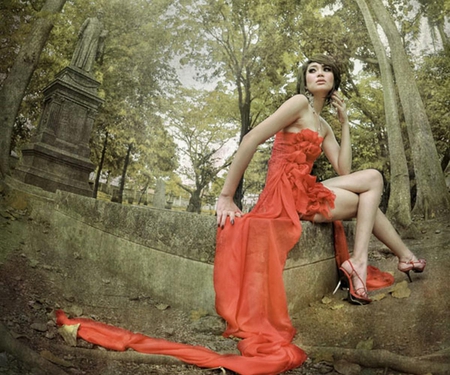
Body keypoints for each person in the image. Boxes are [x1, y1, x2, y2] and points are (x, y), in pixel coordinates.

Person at [215, 54, 426, 306]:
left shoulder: (323, 124)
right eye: (312, 70)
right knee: (370, 186)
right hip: (283, 193)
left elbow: (343, 169)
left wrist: (344, 123)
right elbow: (251, 138)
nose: (319, 73)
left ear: (334, 81)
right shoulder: (298, 103)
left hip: (303, 187)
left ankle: (389, 258)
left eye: (326, 70)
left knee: (370, 183)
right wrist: (226, 196)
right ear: (305, 81)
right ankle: (376, 260)